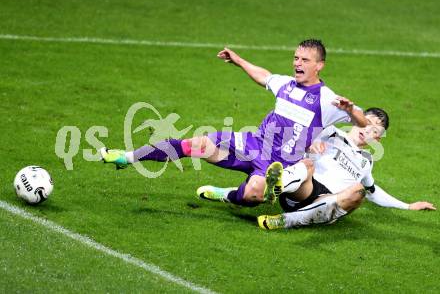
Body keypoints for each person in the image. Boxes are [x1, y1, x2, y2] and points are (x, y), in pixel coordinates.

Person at [100, 39, 367, 207]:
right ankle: (127, 157)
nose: (297, 63)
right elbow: (264, 76)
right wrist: (238, 61)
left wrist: (352, 110)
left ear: (319, 65)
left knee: (252, 195)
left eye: (304, 60)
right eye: (296, 58)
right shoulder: (286, 84)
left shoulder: (326, 99)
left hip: (281, 164)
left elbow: (364, 123)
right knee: (196, 144)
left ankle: (227, 194)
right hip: (253, 143)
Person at [257, 108, 436, 230]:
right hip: (304, 189)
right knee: (308, 164)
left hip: (327, 204)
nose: (368, 131)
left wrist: (408, 206)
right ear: (358, 119)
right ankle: (275, 188)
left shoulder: (367, 161)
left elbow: (372, 191)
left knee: (359, 191)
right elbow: (294, 140)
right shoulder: (331, 131)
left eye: (375, 131)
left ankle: (284, 221)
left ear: (377, 139)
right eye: (368, 123)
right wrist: (311, 143)